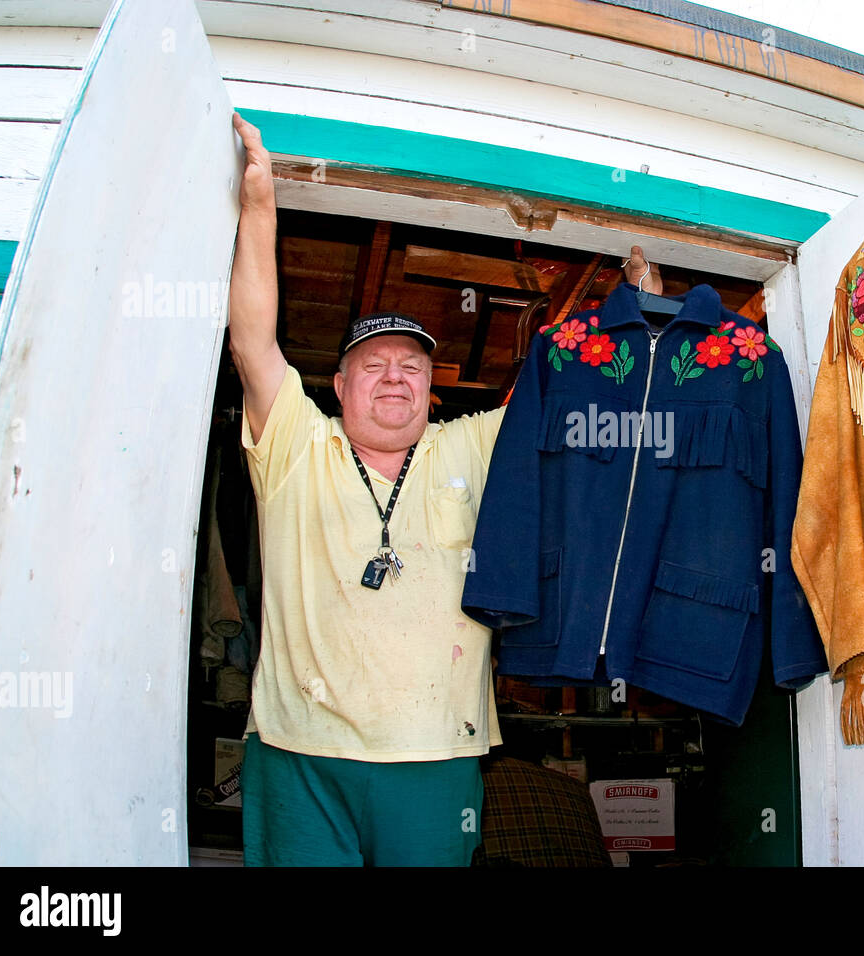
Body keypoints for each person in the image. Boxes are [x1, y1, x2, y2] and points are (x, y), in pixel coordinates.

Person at [227, 111, 660, 865]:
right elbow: (251, 340)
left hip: (436, 754)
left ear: (432, 391)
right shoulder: (297, 443)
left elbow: (564, 390)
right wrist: (260, 203)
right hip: (298, 750)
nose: (394, 376)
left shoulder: (467, 443)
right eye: (374, 364)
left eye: (412, 367)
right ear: (338, 385)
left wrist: (639, 318)